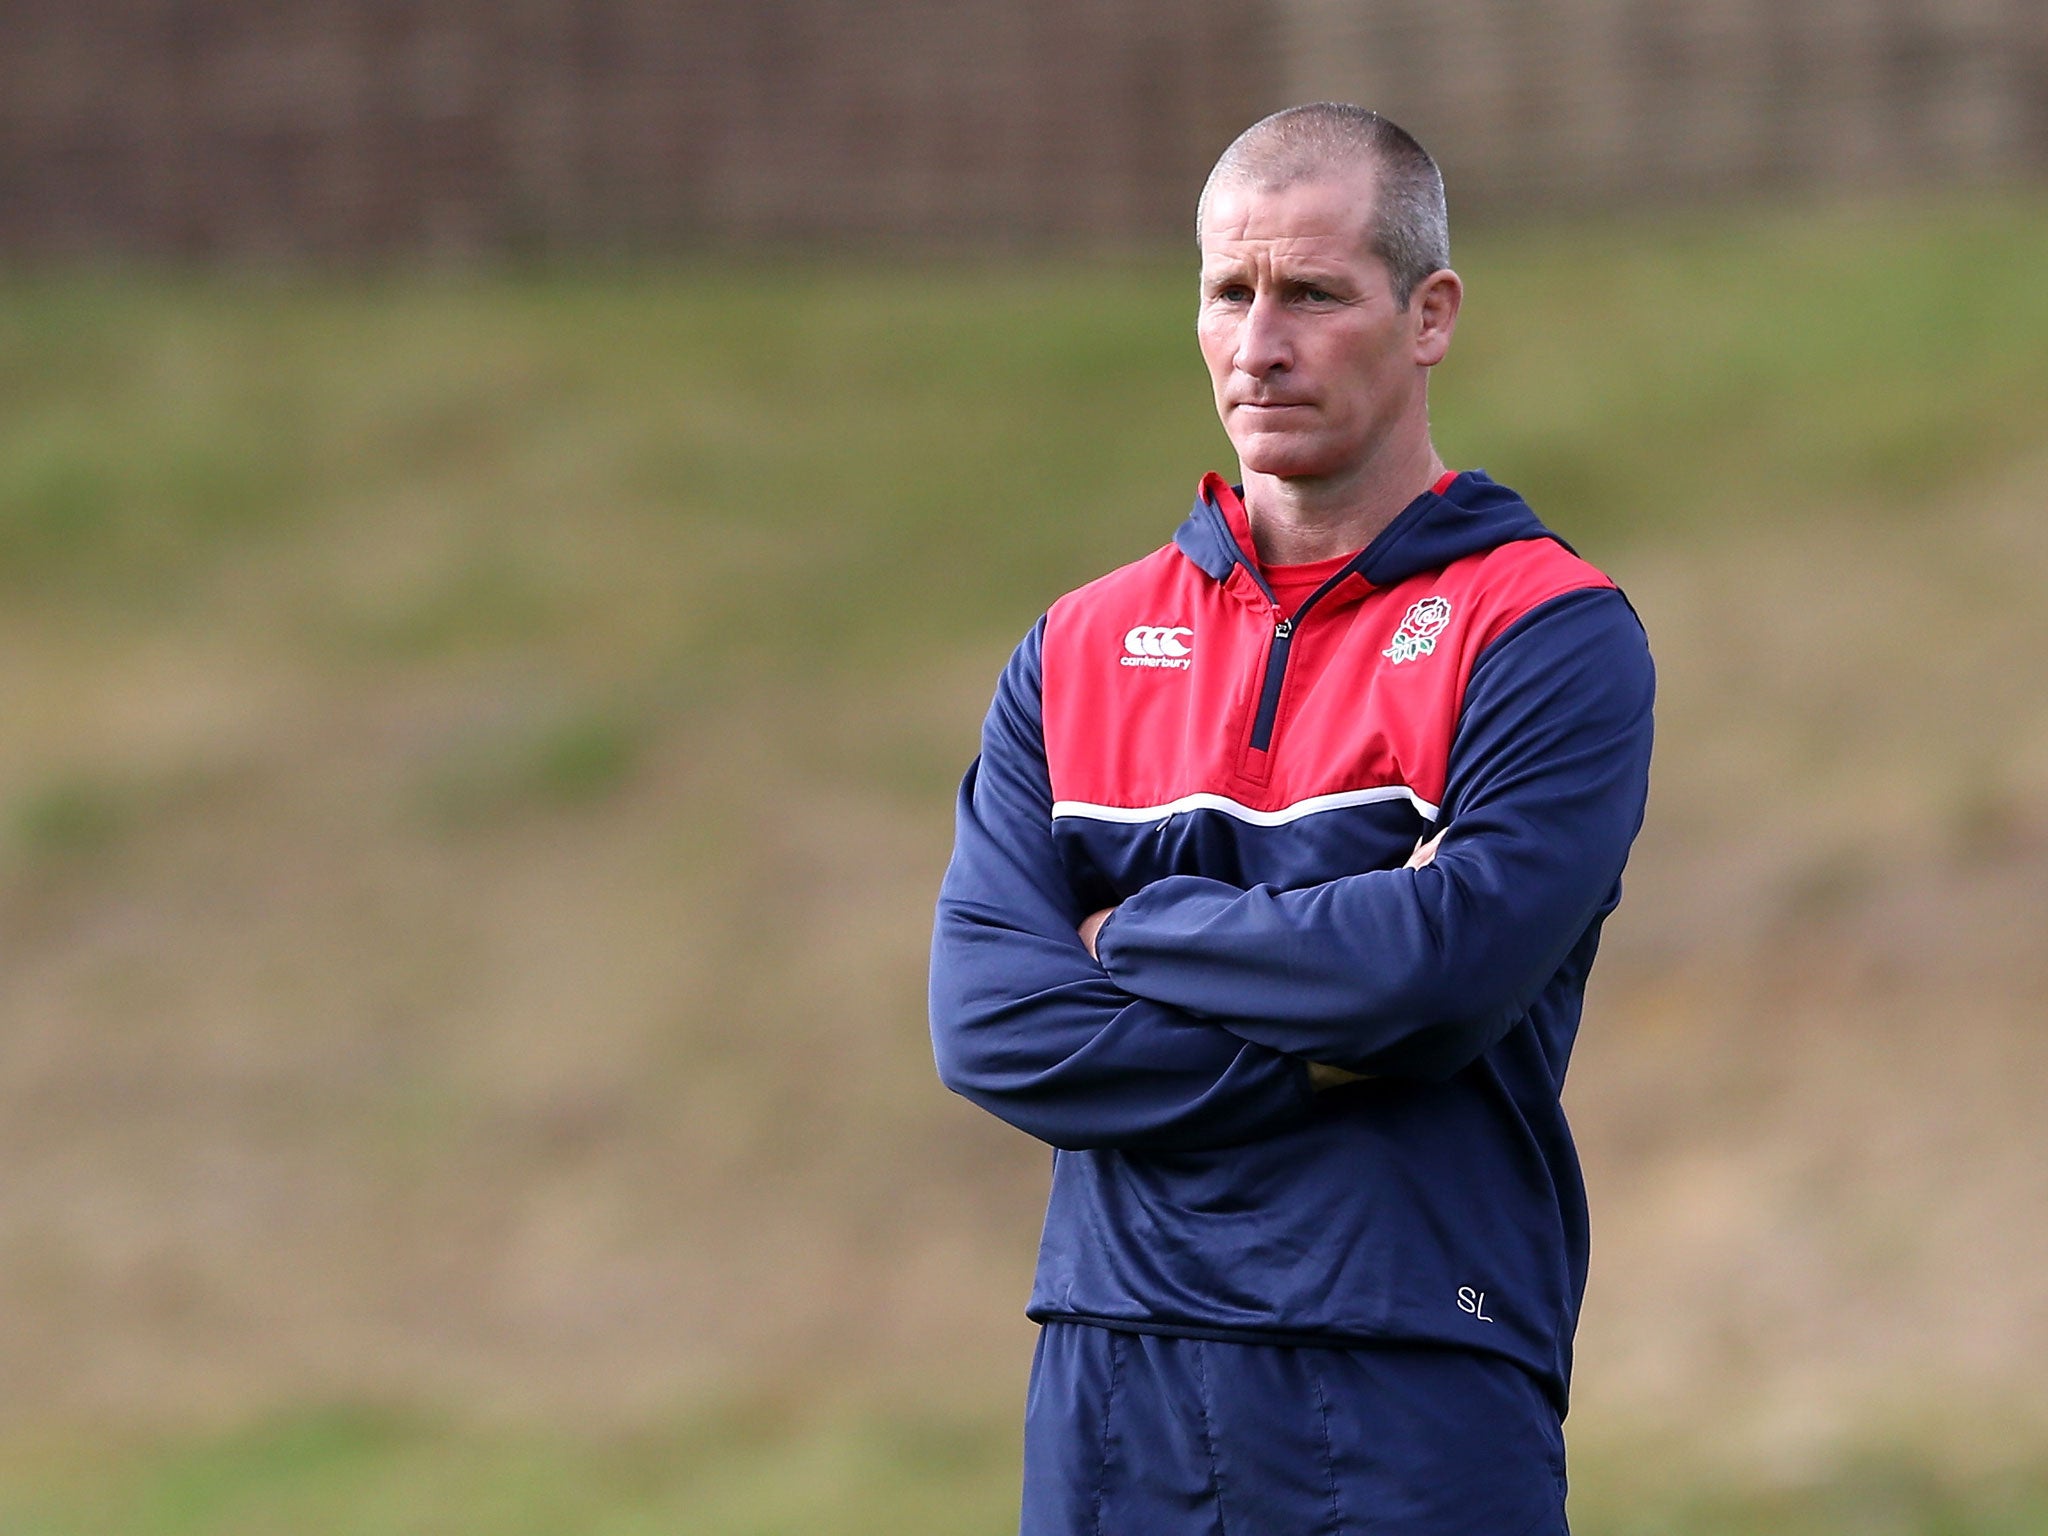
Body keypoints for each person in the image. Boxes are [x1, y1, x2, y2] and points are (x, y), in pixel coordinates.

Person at [929, 102, 1654, 1535]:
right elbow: (994, 1023)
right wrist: (1331, 1047)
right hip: (1113, 1366)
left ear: (1429, 312)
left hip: (1411, 1358)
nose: (1260, 345)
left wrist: (1133, 926)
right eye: (1228, 292)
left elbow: (1441, 975)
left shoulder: (1546, 631)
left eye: (1313, 294)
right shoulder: (1076, 646)